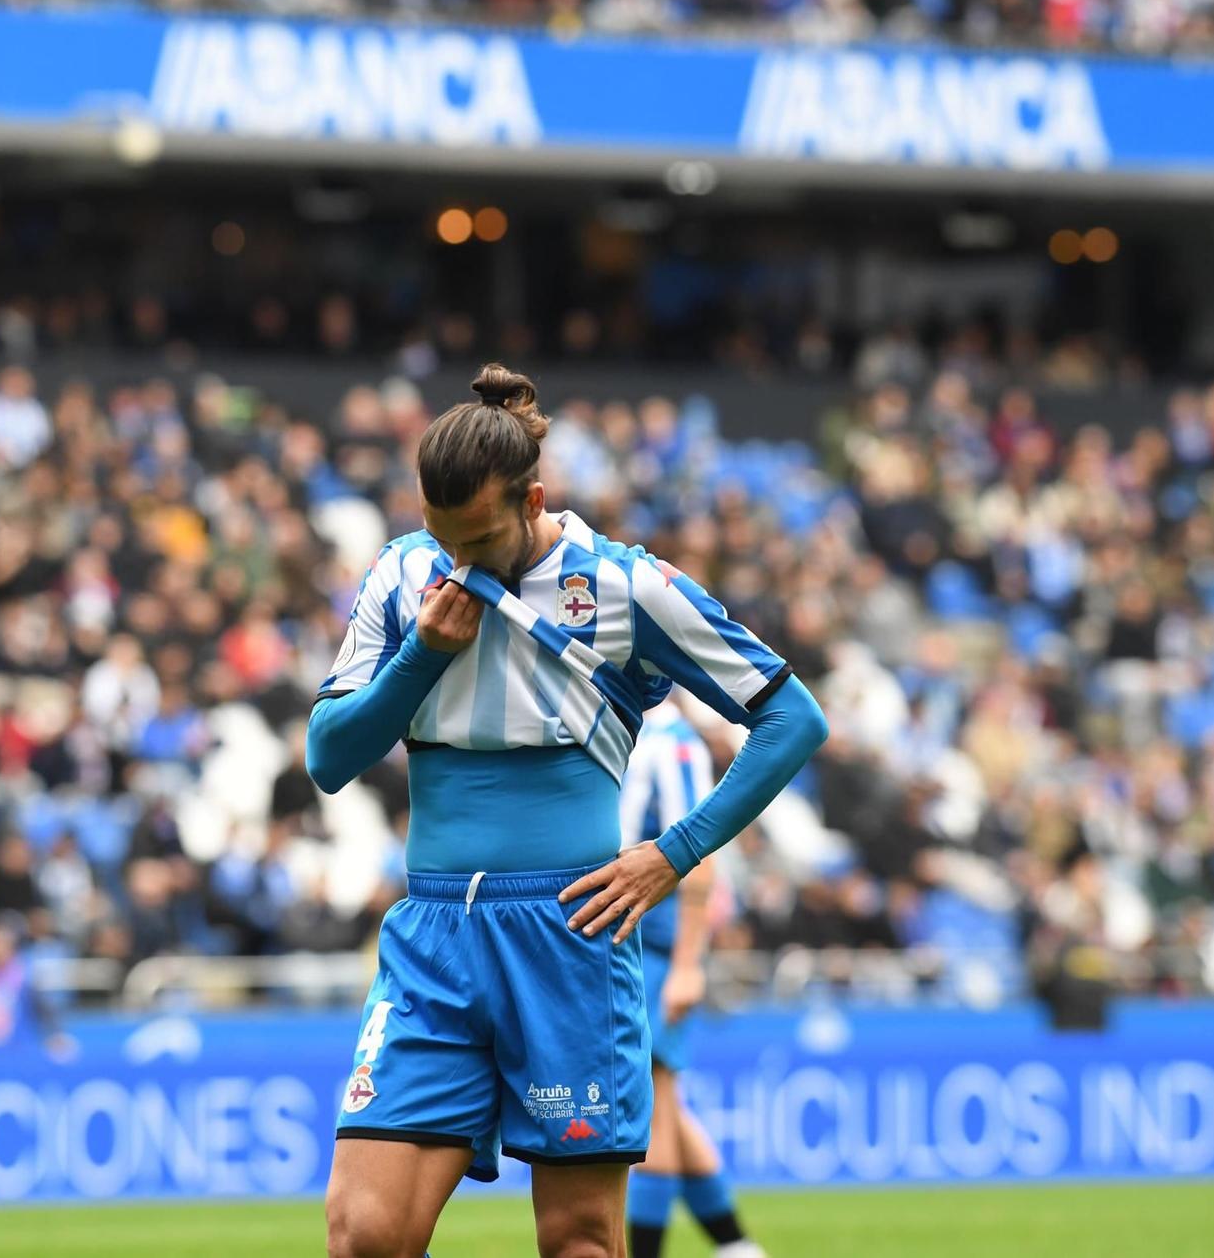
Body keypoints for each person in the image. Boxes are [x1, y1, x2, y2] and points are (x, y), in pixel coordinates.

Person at [308, 366, 827, 1258]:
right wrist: (419, 658)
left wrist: (675, 852)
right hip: (434, 937)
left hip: (569, 932)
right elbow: (329, 757)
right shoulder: (403, 572)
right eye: (441, 536)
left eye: (476, 538)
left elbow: (792, 717)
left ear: (532, 499)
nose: (456, 562)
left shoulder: (625, 586)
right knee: (365, 1236)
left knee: (582, 1242)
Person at [619, 697, 765, 1258]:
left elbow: (699, 858)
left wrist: (684, 966)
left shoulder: (672, 742)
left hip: (657, 951)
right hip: (629, 946)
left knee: (654, 1102)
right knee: (667, 1110)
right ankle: (736, 1247)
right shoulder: (618, 725)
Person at [0, 916, 74, 1058]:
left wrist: (56, 1038)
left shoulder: (25, 979)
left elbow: (47, 1015)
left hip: (19, 1058)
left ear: (7, 946)